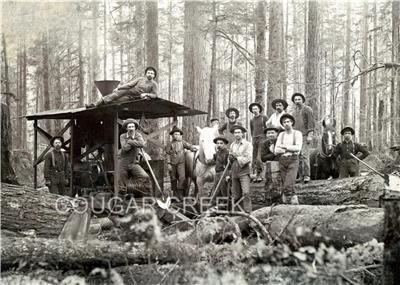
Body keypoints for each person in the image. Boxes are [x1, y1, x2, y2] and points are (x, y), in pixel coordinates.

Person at [86, 66, 158, 108]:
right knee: (113, 95)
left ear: (154, 75)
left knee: (117, 101)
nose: (150, 74)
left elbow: (155, 95)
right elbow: (129, 85)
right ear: (146, 74)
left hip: (133, 97)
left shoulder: (154, 84)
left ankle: (100, 105)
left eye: (152, 73)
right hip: (128, 91)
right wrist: (119, 88)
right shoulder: (140, 79)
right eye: (148, 73)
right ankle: (94, 104)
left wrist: (146, 94)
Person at [274, 114, 303, 204]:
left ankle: (285, 199)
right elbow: (276, 150)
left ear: (292, 123)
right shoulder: (281, 135)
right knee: (284, 181)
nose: (286, 124)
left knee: (288, 183)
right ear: (282, 124)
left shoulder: (297, 133)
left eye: (288, 122)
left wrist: (284, 147)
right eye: (284, 122)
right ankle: (293, 201)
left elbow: (298, 148)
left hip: (293, 160)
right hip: (282, 160)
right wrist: (290, 148)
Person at [119, 118, 151, 195]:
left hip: (133, 163)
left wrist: (129, 141)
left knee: (145, 176)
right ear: (126, 128)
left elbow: (142, 144)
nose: (131, 129)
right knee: (121, 183)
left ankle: (131, 189)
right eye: (129, 127)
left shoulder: (138, 135)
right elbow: (125, 148)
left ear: (135, 128)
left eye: (132, 127)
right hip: (123, 163)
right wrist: (135, 142)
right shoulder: (122, 136)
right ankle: (122, 198)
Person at [165, 126, 197, 201]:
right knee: (173, 178)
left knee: (182, 177)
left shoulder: (182, 142)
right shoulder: (170, 144)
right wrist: (168, 164)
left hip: (181, 163)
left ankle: (180, 195)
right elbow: (167, 154)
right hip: (172, 164)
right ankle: (174, 194)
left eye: (178, 134)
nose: (176, 136)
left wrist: (193, 148)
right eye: (175, 134)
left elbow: (189, 146)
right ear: (172, 135)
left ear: (180, 135)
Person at [226, 125, 253, 213]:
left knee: (246, 193)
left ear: (242, 134)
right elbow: (230, 160)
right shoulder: (232, 145)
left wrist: (236, 156)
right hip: (234, 172)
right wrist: (229, 158)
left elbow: (248, 158)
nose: (237, 134)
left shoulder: (248, 144)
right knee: (235, 195)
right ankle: (237, 213)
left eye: (239, 132)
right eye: (235, 133)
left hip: (244, 171)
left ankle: (248, 213)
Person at [290, 93, 315, 183]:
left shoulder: (307, 109)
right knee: (298, 156)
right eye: (295, 100)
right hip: (296, 136)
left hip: (305, 135)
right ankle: (300, 175)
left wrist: (310, 135)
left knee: (305, 155)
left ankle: (307, 175)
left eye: (299, 99)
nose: (297, 101)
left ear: (302, 100)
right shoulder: (294, 112)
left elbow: (311, 123)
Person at [260, 126, 281, 204]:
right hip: (269, 167)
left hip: (280, 166)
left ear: (276, 134)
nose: (270, 135)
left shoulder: (280, 141)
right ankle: (269, 201)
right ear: (266, 135)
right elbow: (263, 157)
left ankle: (279, 201)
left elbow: (280, 154)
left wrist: (271, 155)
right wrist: (273, 154)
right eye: (268, 133)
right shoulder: (265, 143)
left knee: (278, 184)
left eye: (272, 133)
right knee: (269, 184)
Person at [249, 102, 269, 183]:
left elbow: (268, 128)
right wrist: (253, 139)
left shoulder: (264, 117)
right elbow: (252, 130)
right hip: (255, 139)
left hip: (262, 138)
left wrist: (266, 138)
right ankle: (257, 174)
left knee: (259, 157)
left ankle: (262, 175)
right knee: (254, 157)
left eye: (256, 108)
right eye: (253, 109)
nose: (254, 110)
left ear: (259, 109)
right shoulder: (252, 120)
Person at [212, 136, 230, 205]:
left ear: (225, 144)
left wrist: (228, 175)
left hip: (224, 173)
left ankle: (225, 205)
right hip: (217, 173)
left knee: (224, 191)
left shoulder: (227, 153)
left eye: (221, 143)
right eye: (217, 143)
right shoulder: (217, 153)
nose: (219, 145)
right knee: (216, 190)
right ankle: (217, 205)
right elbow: (215, 162)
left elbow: (229, 166)